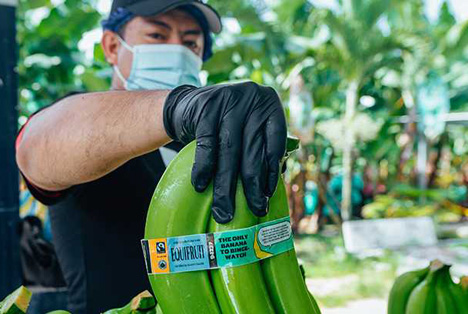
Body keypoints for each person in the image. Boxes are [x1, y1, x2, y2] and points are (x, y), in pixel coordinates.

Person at [15, 0, 287, 313]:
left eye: (190, 42)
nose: (177, 50)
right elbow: (35, 149)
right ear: (113, 47)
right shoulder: (83, 121)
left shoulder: (206, 144)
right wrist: (175, 108)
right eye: (157, 36)